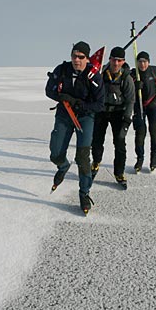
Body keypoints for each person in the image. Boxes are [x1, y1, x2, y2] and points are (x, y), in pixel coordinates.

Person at [45, 41, 105, 213]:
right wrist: (60, 96)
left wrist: (79, 104)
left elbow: (100, 104)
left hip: (85, 117)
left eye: (81, 57)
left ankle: (84, 193)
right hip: (64, 115)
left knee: (83, 158)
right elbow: (49, 90)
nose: (76, 60)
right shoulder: (62, 70)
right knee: (55, 153)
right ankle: (63, 166)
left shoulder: (93, 75)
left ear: (87, 58)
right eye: (74, 56)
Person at [90, 46, 135, 189]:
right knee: (97, 141)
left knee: (120, 143)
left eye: (119, 61)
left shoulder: (126, 78)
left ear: (123, 62)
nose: (116, 63)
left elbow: (130, 100)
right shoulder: (100, 73)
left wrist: (127, 119)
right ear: (109, 59)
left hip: (118, 113)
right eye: (114, 60)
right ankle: (96, 163)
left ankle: (119, 173)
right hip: (101, 111)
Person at [131, 51, 156, 172]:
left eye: (144, 62)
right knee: (140, 134)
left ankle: (154, 158)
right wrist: (135, 86)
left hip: (153, 106)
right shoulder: (133, 73)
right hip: (139, 107)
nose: (142, 64)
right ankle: (140, 159)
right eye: (140, 62)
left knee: (154, 132)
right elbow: (125, 85)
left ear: (148, 62)